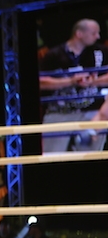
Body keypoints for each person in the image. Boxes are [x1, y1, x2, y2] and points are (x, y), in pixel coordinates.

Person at [39, 18, 108, 153]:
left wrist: (92, 81)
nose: (98, 37)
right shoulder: (54, 54)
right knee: (51, 157)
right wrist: (71, 81)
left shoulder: (101, 52)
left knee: (90, 158)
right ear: (79, 34)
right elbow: (41, 82)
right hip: (59, 112)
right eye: (94, 33)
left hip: (91, 112)